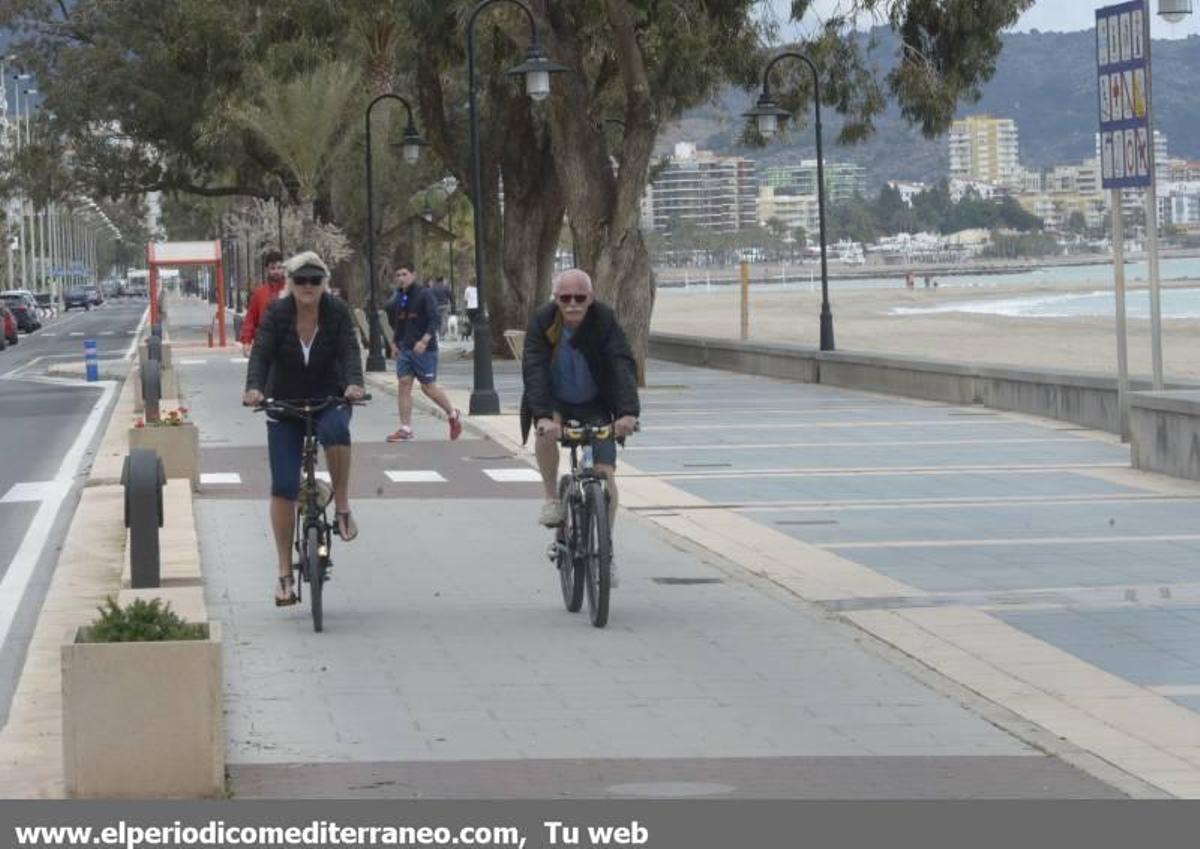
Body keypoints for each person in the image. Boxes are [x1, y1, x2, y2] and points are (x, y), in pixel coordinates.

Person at [242, 251, 366, 607]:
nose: (308, 286)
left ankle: (342, 505)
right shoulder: (277, 313)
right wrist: (255, 388)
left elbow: (349, 351)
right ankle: (284, 574)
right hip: (286, 403)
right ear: (290, 283)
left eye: (315, 280)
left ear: (324, 283)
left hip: (328, 397)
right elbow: (261, 354)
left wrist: (354, 384)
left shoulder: (336, 311)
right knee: (283, 485)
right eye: (301, 280)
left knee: (337, 432)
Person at [520, 269, 639, 587]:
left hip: (596, 403)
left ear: (591, 298)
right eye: (565, 298)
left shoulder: (604, 320)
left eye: (580, 298)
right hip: (555, 401)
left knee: (605, 475)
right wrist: (543, 416)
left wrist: (627, 413)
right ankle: (551, 498)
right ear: (556, 299)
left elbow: (621, 362)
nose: (572, 304)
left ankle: (605, 553)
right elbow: (534, 368)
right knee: (545, 434)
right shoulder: (543, 321)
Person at [383, 261, 463, 442]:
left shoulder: (425, 294)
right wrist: (394, 343)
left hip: (424, 350)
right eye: (398, 275)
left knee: (428, 388)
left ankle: (452, 414)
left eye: (404, 274)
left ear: (413, 275)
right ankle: (405, 429)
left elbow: (435, 319)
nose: (401, 278)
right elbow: (400, 322)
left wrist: (425, 340)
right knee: (404, 384)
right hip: (406, 349)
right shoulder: (400, 296)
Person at [239, 250, 288, 358]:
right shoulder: (259, 294)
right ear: (267, 270)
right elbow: (250, 319)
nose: (276, 271)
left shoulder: (291, 291)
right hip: (264, 346)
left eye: (279, 267)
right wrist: (246, 341)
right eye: (273, 268)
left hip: (287, 347)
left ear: (284, 269)